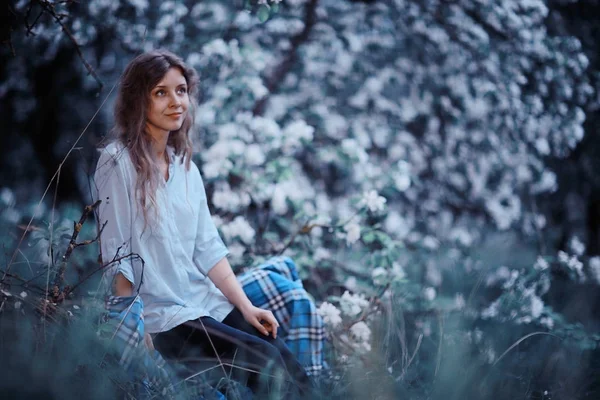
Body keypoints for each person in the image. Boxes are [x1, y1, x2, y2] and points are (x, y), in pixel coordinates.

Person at [93, 49, 313, 398]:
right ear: (139, 100)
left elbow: (208, 248)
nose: (175, 101)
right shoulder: (116, 163)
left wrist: (246, 307)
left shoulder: (184, 167)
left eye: (181, 90)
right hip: (162, 317)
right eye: (160, 92)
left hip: (200, 302)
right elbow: (116, 255)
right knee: (268, 364)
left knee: (290, 365)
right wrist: (135, 327)